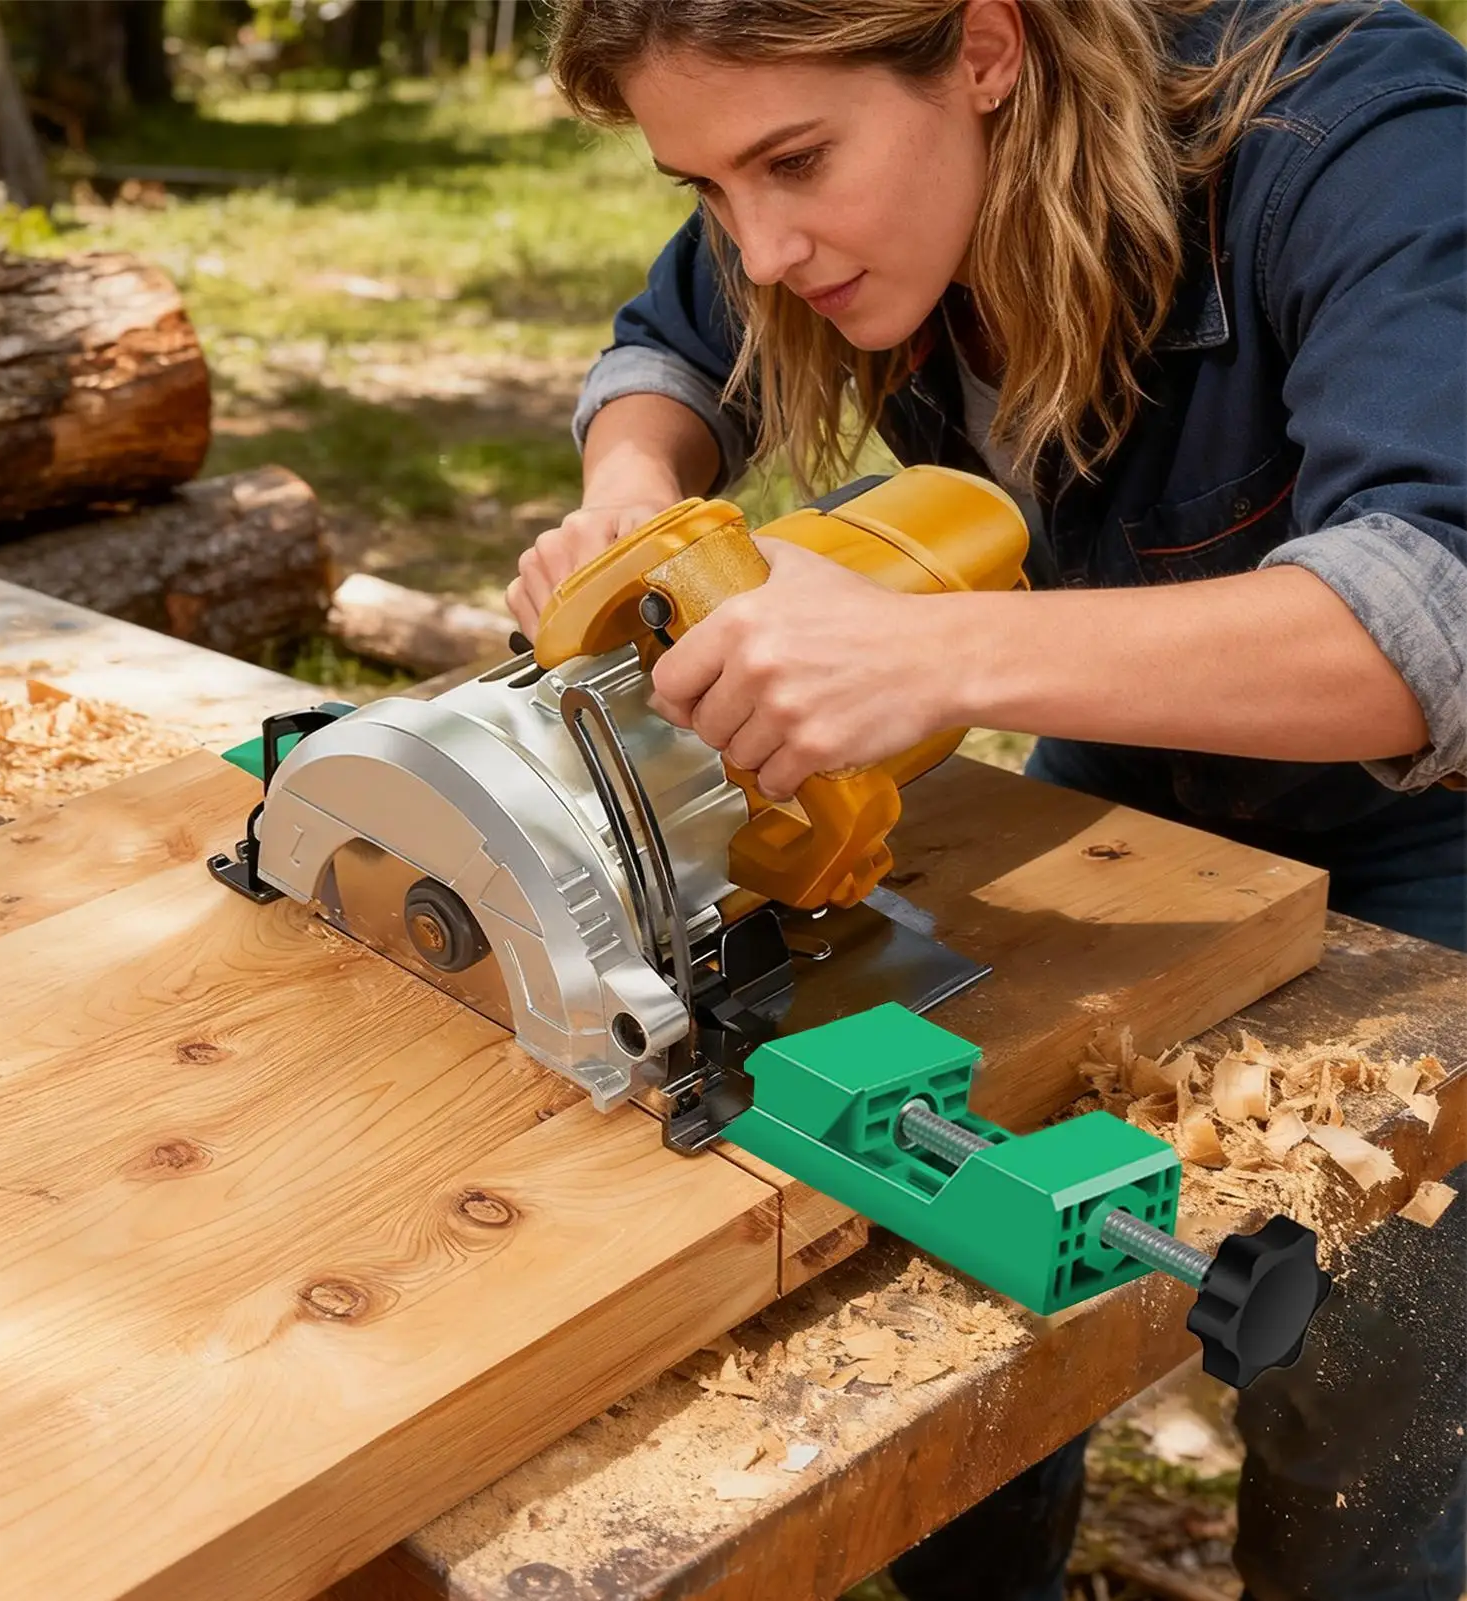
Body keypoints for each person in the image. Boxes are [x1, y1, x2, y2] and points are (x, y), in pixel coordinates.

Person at [506, 3, 1467, 1597]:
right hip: (1125, 779)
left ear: (985, 52)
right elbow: (668, 345)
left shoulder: (1360, 144)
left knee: (1365, 1329)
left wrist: (934, 654)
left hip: (1425, 837)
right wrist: (632, 492)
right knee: (975, 1256)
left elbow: (1434, 617)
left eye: (794, 162)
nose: (761, 248)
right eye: (707, 187)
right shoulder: (830, 213)